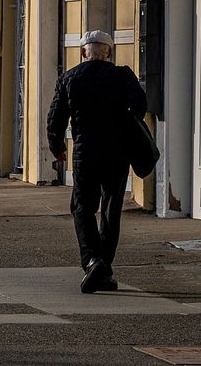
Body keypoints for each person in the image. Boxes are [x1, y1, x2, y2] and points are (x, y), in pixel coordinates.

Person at [47, 29, 147, 293]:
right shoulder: (122, 75)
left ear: (83, 53)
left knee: (82, 207)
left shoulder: (69, 78)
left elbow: (55, 119)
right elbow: (139, 105)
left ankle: (92, 260)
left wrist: (57, 147)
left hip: (85, 153)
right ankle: (104, 267)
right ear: (109, 53)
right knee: (111, 210)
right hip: (117, 152)